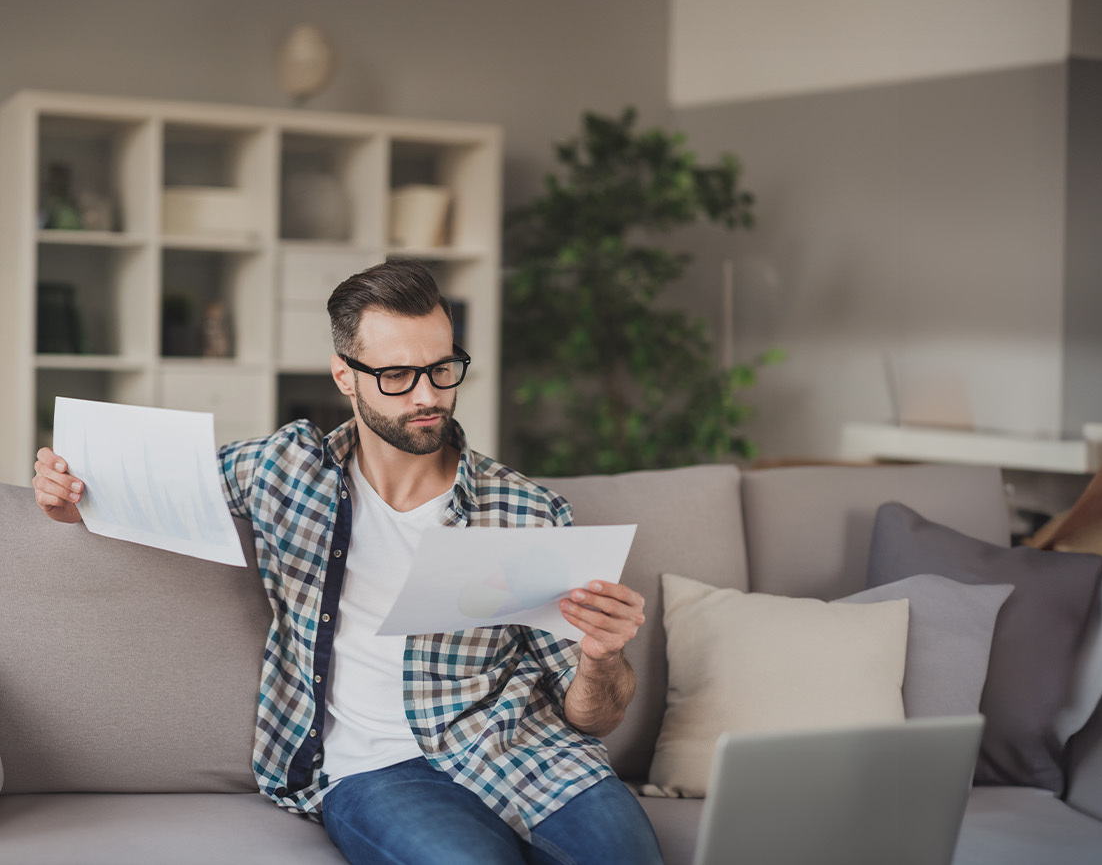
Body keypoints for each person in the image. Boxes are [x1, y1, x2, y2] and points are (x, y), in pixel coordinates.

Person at [31, 260, 664, 865]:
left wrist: (602, 658)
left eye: (443, 369)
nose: (428, 396)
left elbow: (594, 717)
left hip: (525, 750)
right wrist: (67, 498)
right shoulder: (282, 470)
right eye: (397, 376)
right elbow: (136, 491)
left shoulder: (529, 510)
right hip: (375, 767)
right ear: (344, 376)